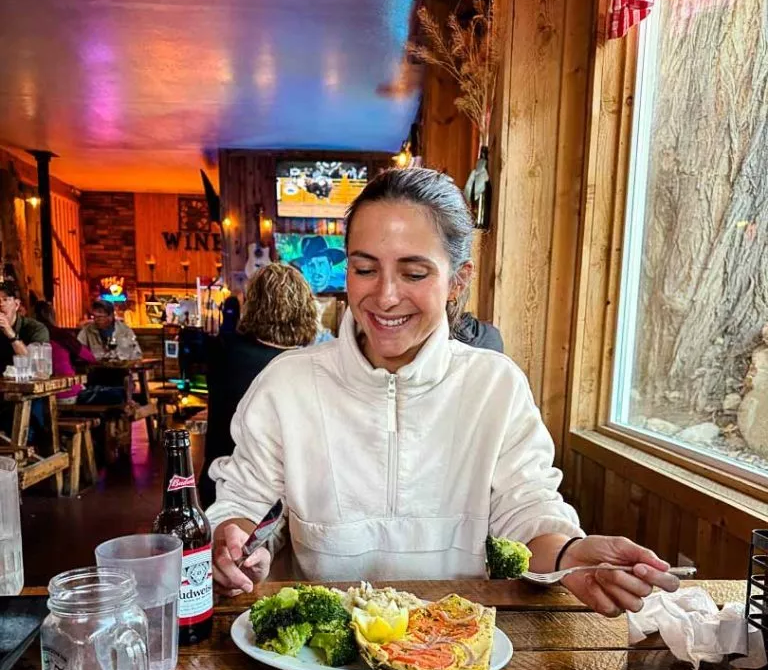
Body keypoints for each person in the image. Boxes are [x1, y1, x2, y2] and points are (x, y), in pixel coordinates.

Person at [207, 168, 679, 616]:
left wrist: (569, 557)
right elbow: (245, 506)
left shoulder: (494, 386)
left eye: (414, 274)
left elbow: (527, 511)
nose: (385, 296)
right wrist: (232, 544)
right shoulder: (287, 384)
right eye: (365, 269)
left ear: (458, 280)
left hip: (455, 644)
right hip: (316, 656)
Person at [199, 263, 317, 509]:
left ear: (252, 305)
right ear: (305, 309)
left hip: (219, 484)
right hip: (275, 497)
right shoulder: (307, 367)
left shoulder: (223, 352)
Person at [0, 279, 49, 369]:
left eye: (5, 299)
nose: (1, 304)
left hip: (25, 378)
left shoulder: (36, 329)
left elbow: (36, 366)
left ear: (16, 305)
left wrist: (11, 335)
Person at [78, 299, 142, 361]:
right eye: (94, 316)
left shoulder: (124, 330)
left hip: (121, 366)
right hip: (96, 366)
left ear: (111, 316)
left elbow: (137, 353)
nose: (96, 320)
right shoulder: (87, 330)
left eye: (100, 317)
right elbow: (78, 348)